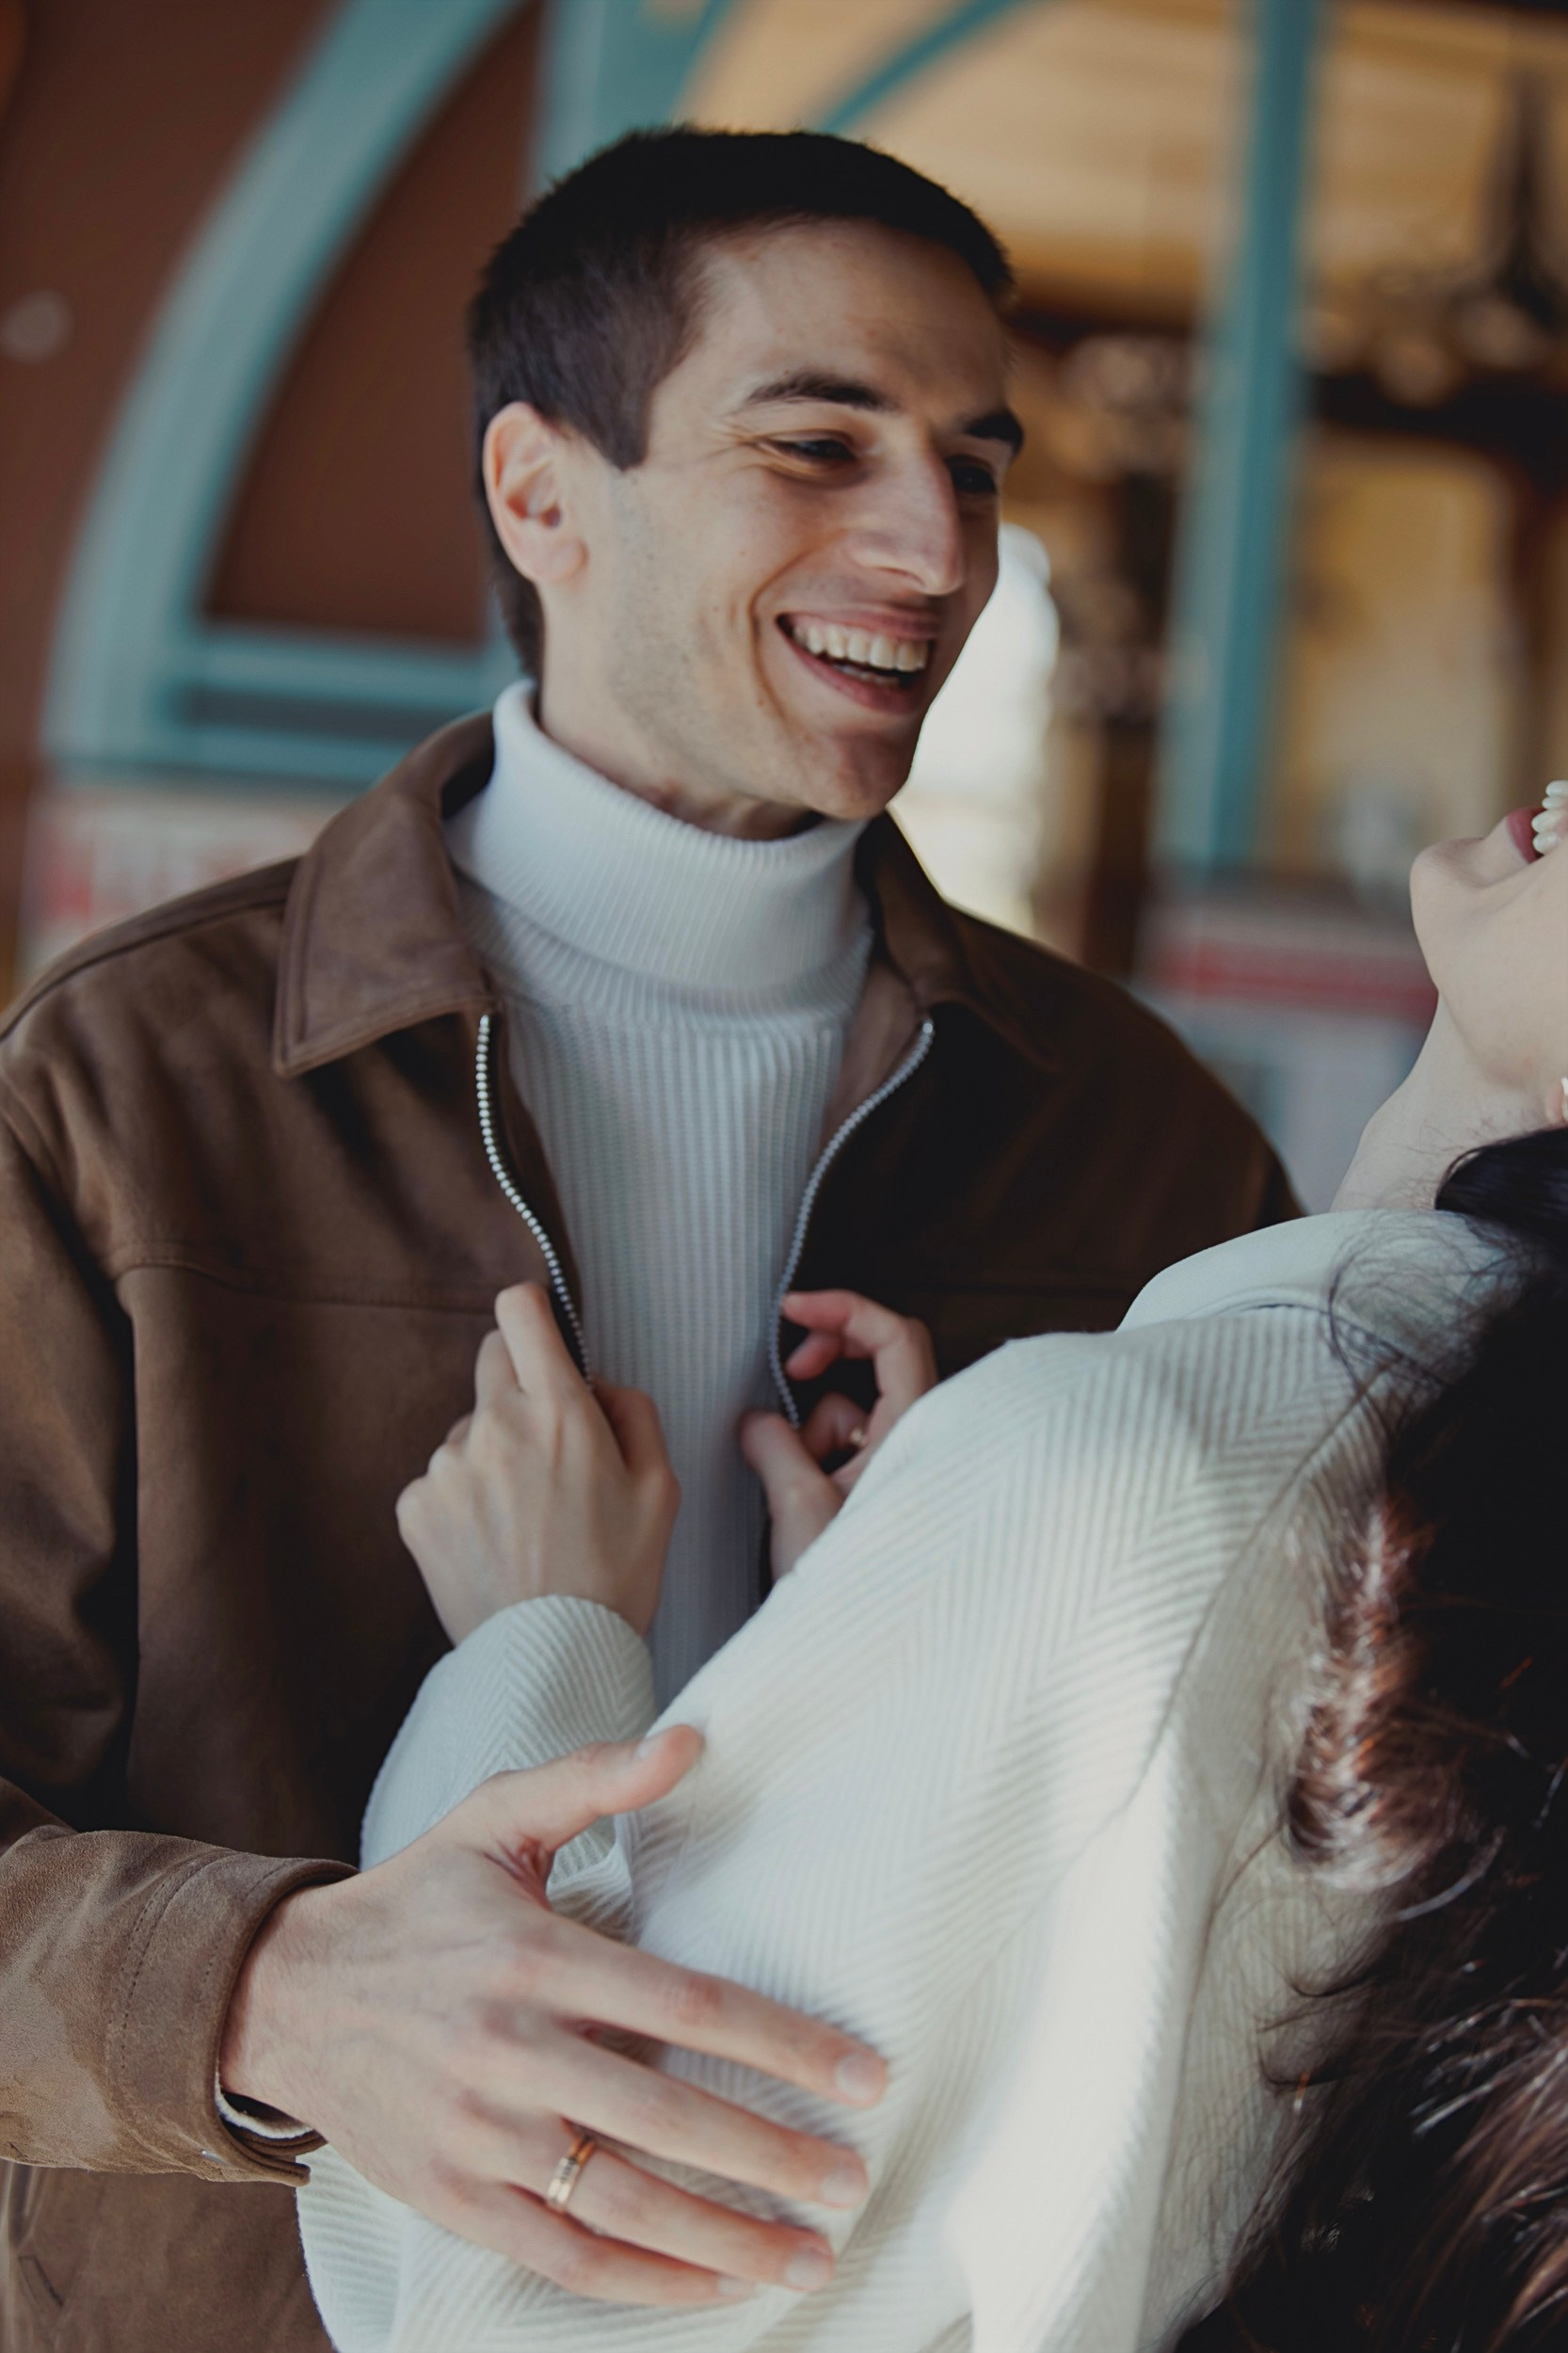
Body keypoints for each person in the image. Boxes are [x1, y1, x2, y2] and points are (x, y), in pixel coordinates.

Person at [0, 130, 1289, 2348]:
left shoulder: (1137, 1139)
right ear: (540, 494)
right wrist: (276, 1990)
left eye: (974, 464)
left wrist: (962, 1598)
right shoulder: (125, 1088)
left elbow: (1301, 1841)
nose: (937, 549)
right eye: (816, 444)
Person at [293, 776, 1567, 2350]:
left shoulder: (1148, 1470)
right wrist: (923, 1599)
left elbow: (496, 2309)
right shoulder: (1422, 1515)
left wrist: (533, 1635)